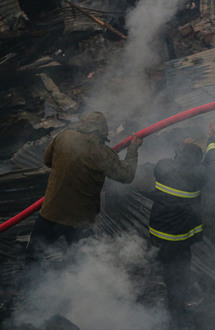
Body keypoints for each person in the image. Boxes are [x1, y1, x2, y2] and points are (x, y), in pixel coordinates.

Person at [25, 111, 143, 263]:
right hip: (80, 220)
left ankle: (29, 287)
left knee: (33, 256)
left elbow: (48, 161)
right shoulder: (104, 154)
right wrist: (133, 148)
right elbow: (126, 175)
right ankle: (77, 286)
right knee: (80, 263)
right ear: (101, 133)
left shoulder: (63, 136)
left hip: (51, 212)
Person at [148, 121, 215, 321]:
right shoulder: (199, 174)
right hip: (178, 237)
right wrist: (212, 139)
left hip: (157, 230)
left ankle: (169, 291)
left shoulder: (162, 166)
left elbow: (176, 160)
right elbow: (213, 163)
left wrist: (185, 146)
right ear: (198, 158)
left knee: (165, 262)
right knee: (179, 273)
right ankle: (177, 313)